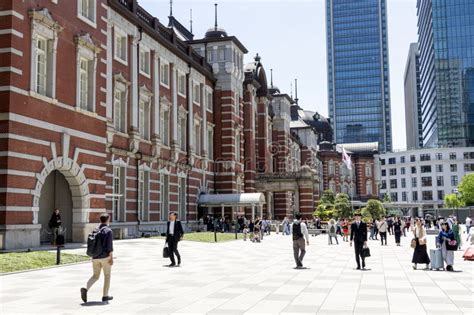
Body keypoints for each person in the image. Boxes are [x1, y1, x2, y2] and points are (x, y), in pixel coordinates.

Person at [81, 213, 114, 303]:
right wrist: (111, 258)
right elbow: (109, 247)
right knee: (107, 276)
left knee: (95, 276)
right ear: (108, 220)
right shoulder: (108, 231)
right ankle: (105, 296)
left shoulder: (95, 229)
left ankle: (85, 288)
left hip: (95, 257)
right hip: (105, 257)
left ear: (100, 220)